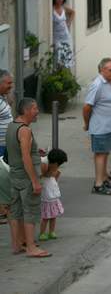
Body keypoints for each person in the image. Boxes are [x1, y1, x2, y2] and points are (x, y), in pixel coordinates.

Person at [7, 98, 49, 257]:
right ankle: (31, 247)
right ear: (26, 111)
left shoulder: (12, 126)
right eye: (34, 108)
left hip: (15, 174)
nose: (37, 111)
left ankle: (17, 245)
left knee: (15, 211)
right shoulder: (25, 130)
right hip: (25, 177)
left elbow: (17, 151)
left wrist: (35, 152)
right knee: (30, 211)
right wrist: (35, 181)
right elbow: (25, 157)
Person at [83, 58, 111, 195]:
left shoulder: (110, 82)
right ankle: (98, 184)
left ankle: (104, 178)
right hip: (101, 126)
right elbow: (87, 106)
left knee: (105, 152)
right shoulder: (97, 84)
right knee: (100, 153)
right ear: (102, 70)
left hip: (110, 125)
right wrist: (87, 124)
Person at [38, 148, 67, 241]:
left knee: (53, 216)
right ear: (54, 163)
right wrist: (50, 172)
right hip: (46, 196)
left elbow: (55, 178)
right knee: (46, 217)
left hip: (53, 195)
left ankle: (51, 231)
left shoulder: (53, 168)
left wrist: (55, 173)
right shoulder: (44, 165)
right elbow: (40, 177)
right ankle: (42, 233)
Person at [52, 0, 75, 68]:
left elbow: (72, 12)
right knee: (59, 58)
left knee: (67, 58)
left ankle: (66, 74)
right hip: (57, 38)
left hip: (66, 36)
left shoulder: (63, 8)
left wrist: (68, 23)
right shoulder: (51, 9)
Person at [0, 70, 13, 161]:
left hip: (6, 145)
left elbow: (11, 102)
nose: (11, 86)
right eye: (9, 83)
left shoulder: (2, 96)